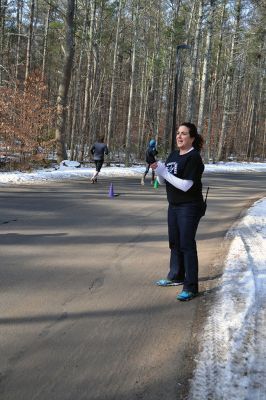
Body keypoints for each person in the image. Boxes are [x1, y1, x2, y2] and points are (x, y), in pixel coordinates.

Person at [151, 122, 204, 301]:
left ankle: (191, 286)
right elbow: (163, 180)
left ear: (192, 138)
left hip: (190, 206)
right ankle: (176, 275)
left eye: (184, 134)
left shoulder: (194, 158)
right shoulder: (174, 155)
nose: (179, 137)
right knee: (175, 242)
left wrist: (163, 172)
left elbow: (185, 185)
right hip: (173, 205)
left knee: (187, 244)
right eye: (178, 133)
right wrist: (157, 169)